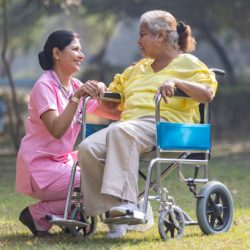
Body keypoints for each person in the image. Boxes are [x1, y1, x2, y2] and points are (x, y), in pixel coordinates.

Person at [78, 10, 218, 239]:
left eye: (143, 34)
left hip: (166, 127)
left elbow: (207, 94)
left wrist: (175, 81)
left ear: (161, 35)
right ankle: (113, 218)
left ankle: (128, 204)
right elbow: (113, 103)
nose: (138, 41)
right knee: (87, 148)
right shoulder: (137, 69)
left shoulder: (188, 63)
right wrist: (101, 89)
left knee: (121, 131)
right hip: (127, 127)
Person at [16, 30, 100, 237]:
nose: (81, 55)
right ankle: (39, 213)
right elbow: (56, 129)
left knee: (103, 172)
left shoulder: (75, 86)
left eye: (82, 50)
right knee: (96, 180)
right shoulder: (44, 86)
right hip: (39, 168)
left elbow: (110, 109)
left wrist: (105, 88)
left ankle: (52, 215)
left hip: (62, 164)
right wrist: (76, 99)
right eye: (75, 49)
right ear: (56, 53)